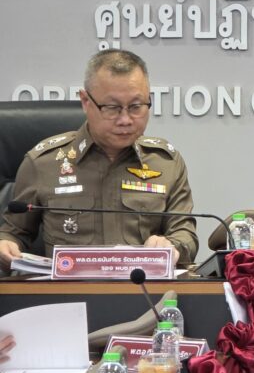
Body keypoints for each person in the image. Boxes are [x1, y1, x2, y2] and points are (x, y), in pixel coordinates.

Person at [0, 50, 198, 269]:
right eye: (112, 108)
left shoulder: (166, 163)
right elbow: (13, 232)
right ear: (85, 101)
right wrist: (6, 244)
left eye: (136, 106)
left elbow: (185, 233)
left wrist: (172, 245)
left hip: (142, 287)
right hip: (69, 289)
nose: (125, 120)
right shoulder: (43, 163)